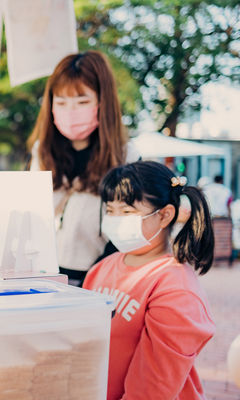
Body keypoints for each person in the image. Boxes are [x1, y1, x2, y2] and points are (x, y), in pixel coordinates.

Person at [83, 161, 215, 400]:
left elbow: (151, 389)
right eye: (110, 211)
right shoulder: (102, 268)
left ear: (164, 215)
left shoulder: (176, 290)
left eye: (127, 212)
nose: (114, 219)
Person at [27, 50, 139, 286]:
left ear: (102, 102)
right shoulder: (41, 153)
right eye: (61, 102)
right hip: (44, 278)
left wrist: (97, 279)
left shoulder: (126, 157)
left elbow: (127, 231)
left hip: (101, 282)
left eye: (82, 101)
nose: (71, 111)